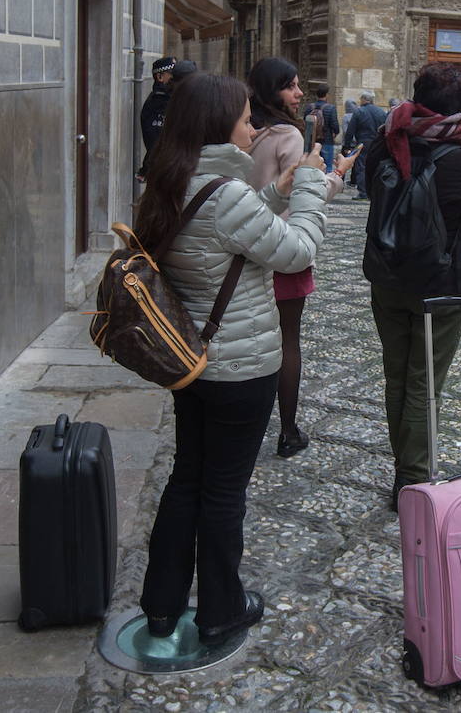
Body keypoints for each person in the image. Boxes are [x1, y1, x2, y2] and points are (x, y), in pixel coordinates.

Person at [134, 73, 330, 646]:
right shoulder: (226, 192)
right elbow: (297, 251)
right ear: (219, 125)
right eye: (245, 119)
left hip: (189, 361)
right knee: (223, 491)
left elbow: (223, 236)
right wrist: (311, 186)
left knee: (186, 480)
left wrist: (279, 192)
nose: (252, 128)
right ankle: (221, 607)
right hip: (240, 368)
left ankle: (162, 604)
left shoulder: (171, 182)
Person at [361, 63, 461, 510]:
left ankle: (405, 468)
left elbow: (368, 184)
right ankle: (411, 479)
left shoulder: (388, 139)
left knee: (397, 377)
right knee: (423, 384)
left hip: (388, 278)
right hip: (440, 287)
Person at [246, 57, 356, 459]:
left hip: (245, 244)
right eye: (290, 86)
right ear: (272, 90)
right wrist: (338, 176)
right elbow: (303, 190)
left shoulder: (243, 131)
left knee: (248, 337)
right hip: (283, 244)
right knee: (287, 341)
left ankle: (244, 424)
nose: (298, 93)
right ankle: (288, 430)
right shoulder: (287, 135)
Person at [138, 57, 177, 178]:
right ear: (160, 77)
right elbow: (156, 143)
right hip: (164, 171)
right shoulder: (157, 103)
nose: (175, 78)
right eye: (172, 74)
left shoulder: (170, 98)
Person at [347, 91, 387, 200]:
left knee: (362, 167)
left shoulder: (359, 112)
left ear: (364, 99)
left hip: (363, 143)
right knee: (376, 167)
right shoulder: (381, 112)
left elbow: (350, 130)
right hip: (378, 143)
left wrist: (346, 145)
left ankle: (363, 193)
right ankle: (374, 192)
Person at [310, 84, 340, 166]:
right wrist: (335, 134)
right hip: (327, 140)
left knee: (312, 166)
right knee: (327, 167)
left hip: (312, 141)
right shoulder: (331, 108)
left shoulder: (310, 107)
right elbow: (335, 127)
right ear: (326, 94)